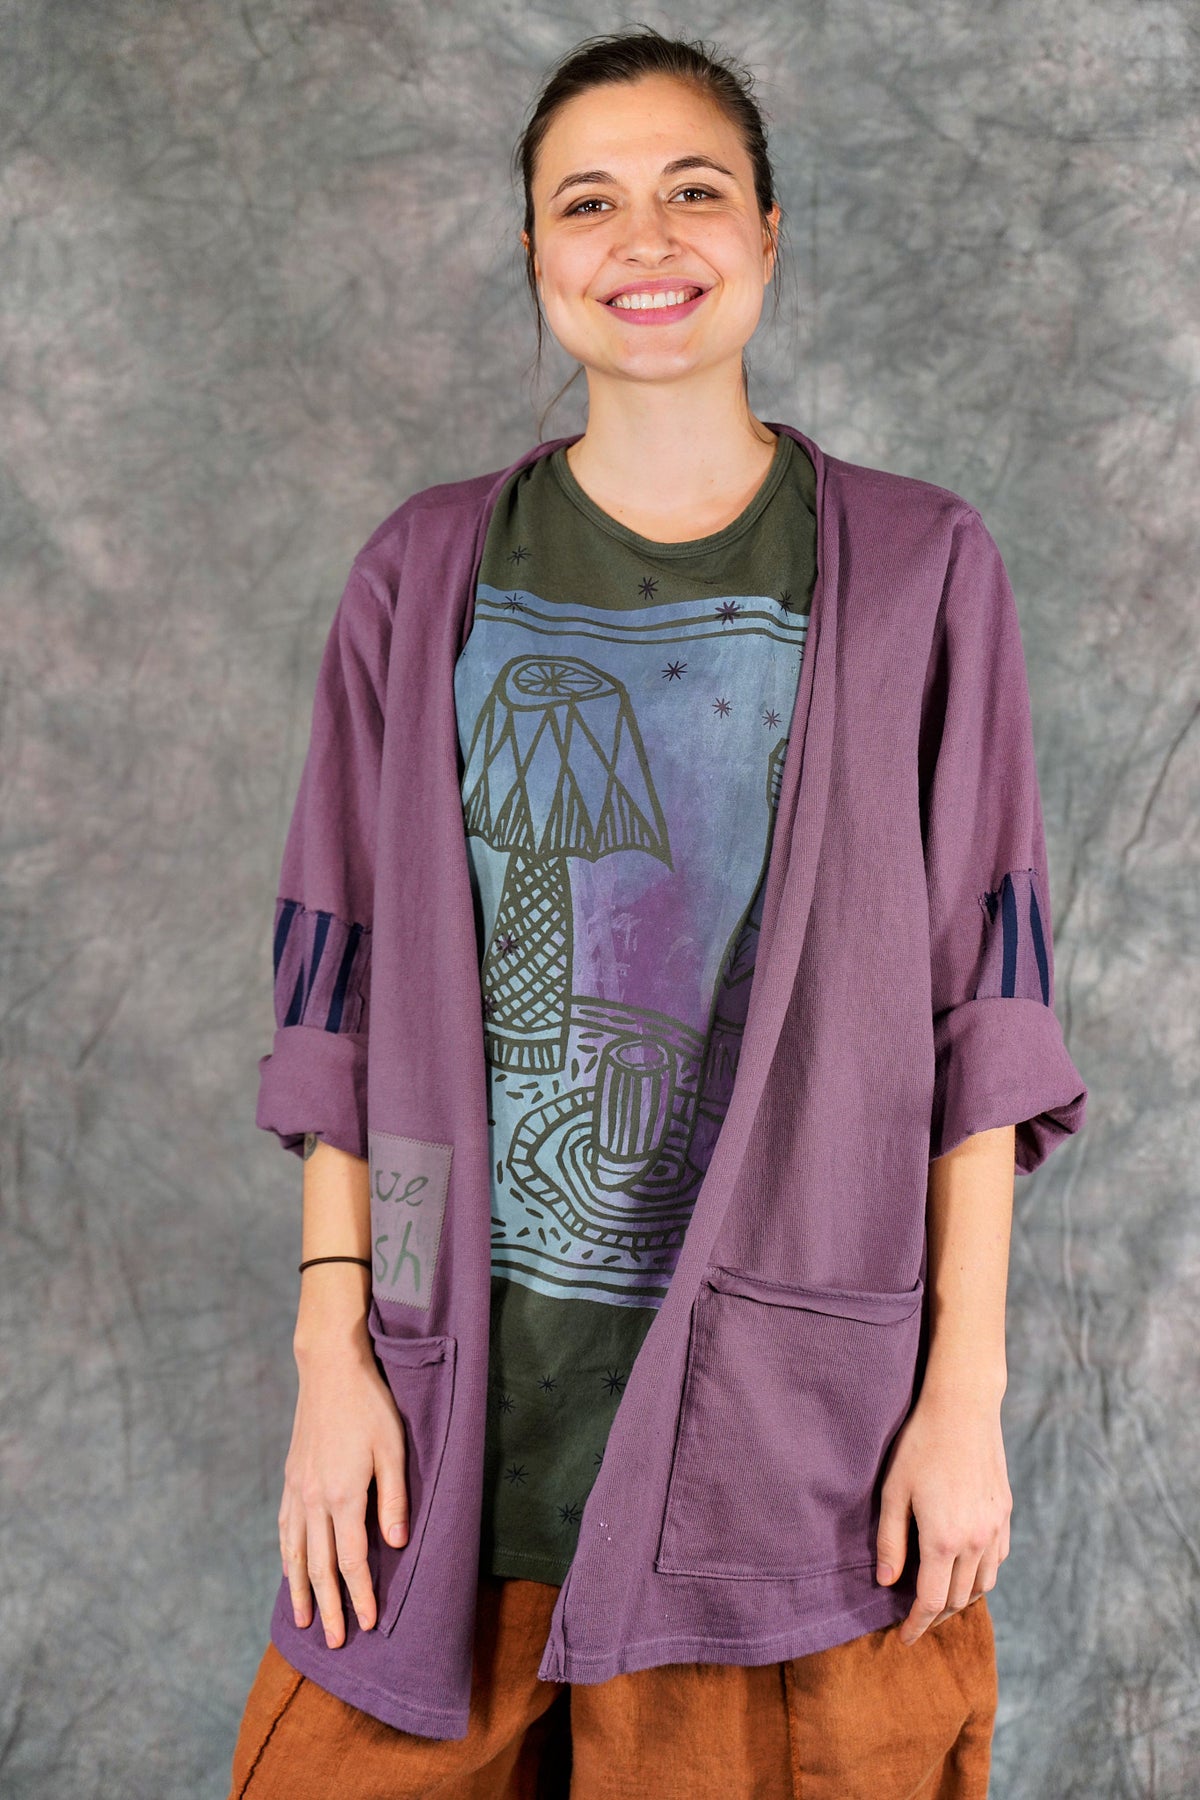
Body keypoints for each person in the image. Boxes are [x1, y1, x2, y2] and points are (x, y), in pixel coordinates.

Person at [228, 27, 1087, 1800]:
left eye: (694, 190)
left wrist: (964, 1395)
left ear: (768, 231)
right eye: (587, 202)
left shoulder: (922, 569)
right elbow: (341, 1012)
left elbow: (984, 1033)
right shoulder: (421, 572)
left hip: (800, 1459)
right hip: (455, 1434)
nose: (645, 239)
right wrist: (334, 1354)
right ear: (534, 252)